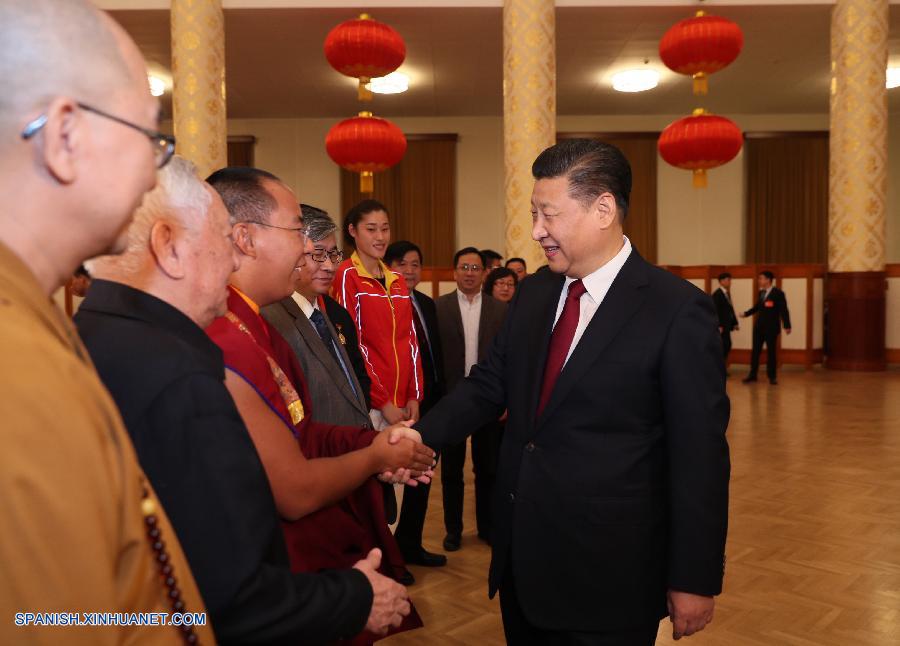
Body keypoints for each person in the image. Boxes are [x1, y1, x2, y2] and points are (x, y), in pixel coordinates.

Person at [78, 157, 412, 643]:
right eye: (221, 241)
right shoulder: (182, 372)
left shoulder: (100, 331)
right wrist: (355, 598)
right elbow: (227, 596)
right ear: (168, 246)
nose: (235, 261)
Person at [416, 139, 730, 645]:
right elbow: (490, 382)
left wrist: (693, 577)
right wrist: (419, 437)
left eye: (549, 215)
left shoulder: (677, 312)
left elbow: (700, 458)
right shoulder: (537, 292)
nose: (537, 230)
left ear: (603, 209)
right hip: (524, 564)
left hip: (610, 578)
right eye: (534, 213)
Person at [0, 2, 213, 644]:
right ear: (65, 137)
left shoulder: (34, 318)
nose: (155, 168)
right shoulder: (15, 372)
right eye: (150, 136)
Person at [205, 167, 433, 643]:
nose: (307, 251)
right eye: (296, 233)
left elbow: (301, 432)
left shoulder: (258, 327)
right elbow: (291, 489)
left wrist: (373, 442)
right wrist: (373, 456)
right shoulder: (225, 332)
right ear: (244, 238)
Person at [263, 205, 370, 430]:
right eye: (318, 254)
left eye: (333, 254)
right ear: (292, 254)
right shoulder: (273, 318)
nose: (330, 266)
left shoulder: (327, 312)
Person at [436, 247, 508, 552]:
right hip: (452, 400)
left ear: (484, 273)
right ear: (454, 272)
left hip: (488, 399)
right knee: (451, 470)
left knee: (487, 469)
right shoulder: (438, 307)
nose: (469, 273)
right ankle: (453, 531)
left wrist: (507, 398)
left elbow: (509, 359)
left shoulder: (500, 310)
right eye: (463, 267)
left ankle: (487, 527)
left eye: (475, 268)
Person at [385, 240, 448, 572]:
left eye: (415, 264)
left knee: (423, 477)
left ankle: (412, 545)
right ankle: (391, 556)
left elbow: (433, 355)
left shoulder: (426, 303)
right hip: (399, 409)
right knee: (396, 483)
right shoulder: (382, 302)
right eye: (401, 264)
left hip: (431, 406)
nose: (409, 271)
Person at [333, 200, 423, 430]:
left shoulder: (397, 279)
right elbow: (352, 345)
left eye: (385, 228)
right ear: (353, 231)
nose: (380, 237)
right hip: (371, 403)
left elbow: (410, 341)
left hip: (403, 402)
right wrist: (382, 402)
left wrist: (414, 394)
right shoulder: (346, 275)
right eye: (371, 229)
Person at [741, 270, 791, 385]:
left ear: (768, 280)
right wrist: (746, 313)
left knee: (771, 352)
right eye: (759, 279)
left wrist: (787, 325)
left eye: (761, 278)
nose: (759, 281)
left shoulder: (778, 293)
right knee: (755, 352)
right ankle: (752, 375)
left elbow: (784, 310)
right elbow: (757, 307)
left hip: (771, 328)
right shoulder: (761, 293)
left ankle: (772, 376)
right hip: (759, 327)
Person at [712, 272, 739, 364]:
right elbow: (715, 311)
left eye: (730, 280)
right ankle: (719, 368)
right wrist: (718, 325)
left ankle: (721, 367)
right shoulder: (717, 294)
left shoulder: (726, 293)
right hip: (721, 326)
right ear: (721, 281)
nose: (730, 282)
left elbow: (730, 309)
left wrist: (735, 323)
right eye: (728, 280)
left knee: (726, 345)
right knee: (724, 346)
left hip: (726, 325)